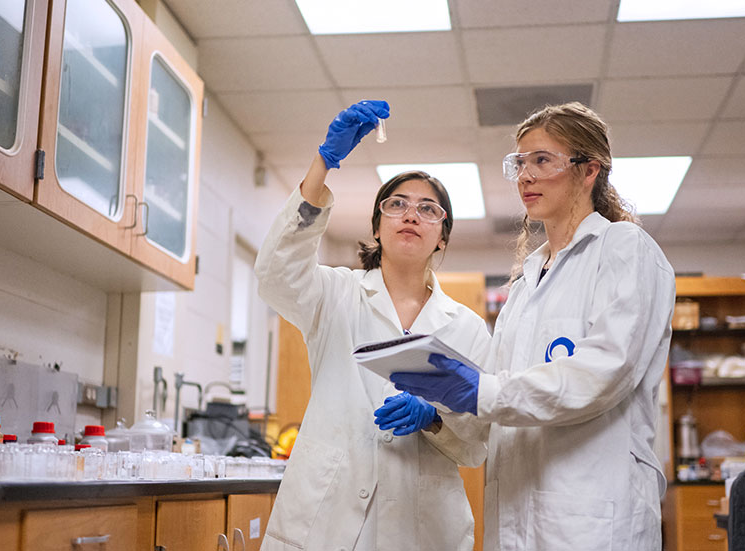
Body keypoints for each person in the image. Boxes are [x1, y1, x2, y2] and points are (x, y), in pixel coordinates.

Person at [391, 101, 676, 550]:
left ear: (589, 171)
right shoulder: (526, 282)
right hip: (515, 518)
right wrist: (439, 414)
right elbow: (501, 400)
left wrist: (480, 391)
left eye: (542, 160)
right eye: (519, 163)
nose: (525, 176)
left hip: (593, 520)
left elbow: (603, 372)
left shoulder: (625, 250)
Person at [255, 100, 491, 551]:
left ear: (442, 237)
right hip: (325, 521)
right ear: (378, 227)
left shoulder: (467, 328)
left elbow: (478, 443)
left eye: (428, 209)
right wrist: (322, 163)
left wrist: (435, 419)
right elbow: (275, 274)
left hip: (422, 530)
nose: (410, 214)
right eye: (397, 204)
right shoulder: (335, 295)